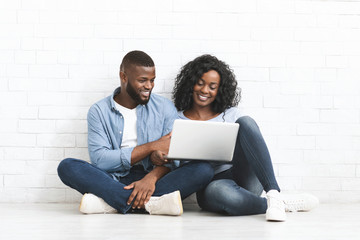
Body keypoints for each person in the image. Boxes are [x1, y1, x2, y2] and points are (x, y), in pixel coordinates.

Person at [57, 50, 214, 216]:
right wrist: (151, 147)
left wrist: (150, 178)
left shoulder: (165, 108)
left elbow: (172, 160)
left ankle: (112, 202)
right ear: (124, 77)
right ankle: (152, 203)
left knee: (203, 169)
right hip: (113, 179)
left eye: (152, 80)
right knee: (67, 166)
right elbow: (101, 161)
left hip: (155, 180)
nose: (149, 86)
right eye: (142, 80)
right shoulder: (99, 111)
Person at [171, 54, 319, 221]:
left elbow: (251, 143)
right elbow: (177, 167)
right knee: (220, 192)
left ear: (219, 90)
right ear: (191, 84)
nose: (205, 90)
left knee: (246, 122)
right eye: (200, 84)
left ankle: (273, 193)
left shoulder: (231, 114)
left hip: (242, 175)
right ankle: (279, 203)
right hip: (211, 186)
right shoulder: (176, 119)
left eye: (212, 86)